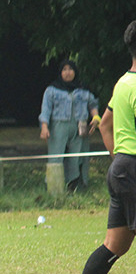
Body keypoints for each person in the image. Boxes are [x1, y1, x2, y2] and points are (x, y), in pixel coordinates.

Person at [61, 21, 136, 274]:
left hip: (122, 169)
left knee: (115, 244)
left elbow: (105, 124)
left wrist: (119, 159)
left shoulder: (123, 83)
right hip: (132, 169)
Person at [39, 59, 101, 191]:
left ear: (75, 71)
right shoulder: (52, 90)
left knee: (77, 156)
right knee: (56, 155)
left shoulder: (83, 89)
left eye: (70, 69)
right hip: (58, 126)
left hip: (79, 126)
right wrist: (44, 127)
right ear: (60, 72)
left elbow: (93, 104)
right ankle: (53, 186)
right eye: (64, 70)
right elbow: (46, 109)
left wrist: (96, 117)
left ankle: (75, 185)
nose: (68, 73)